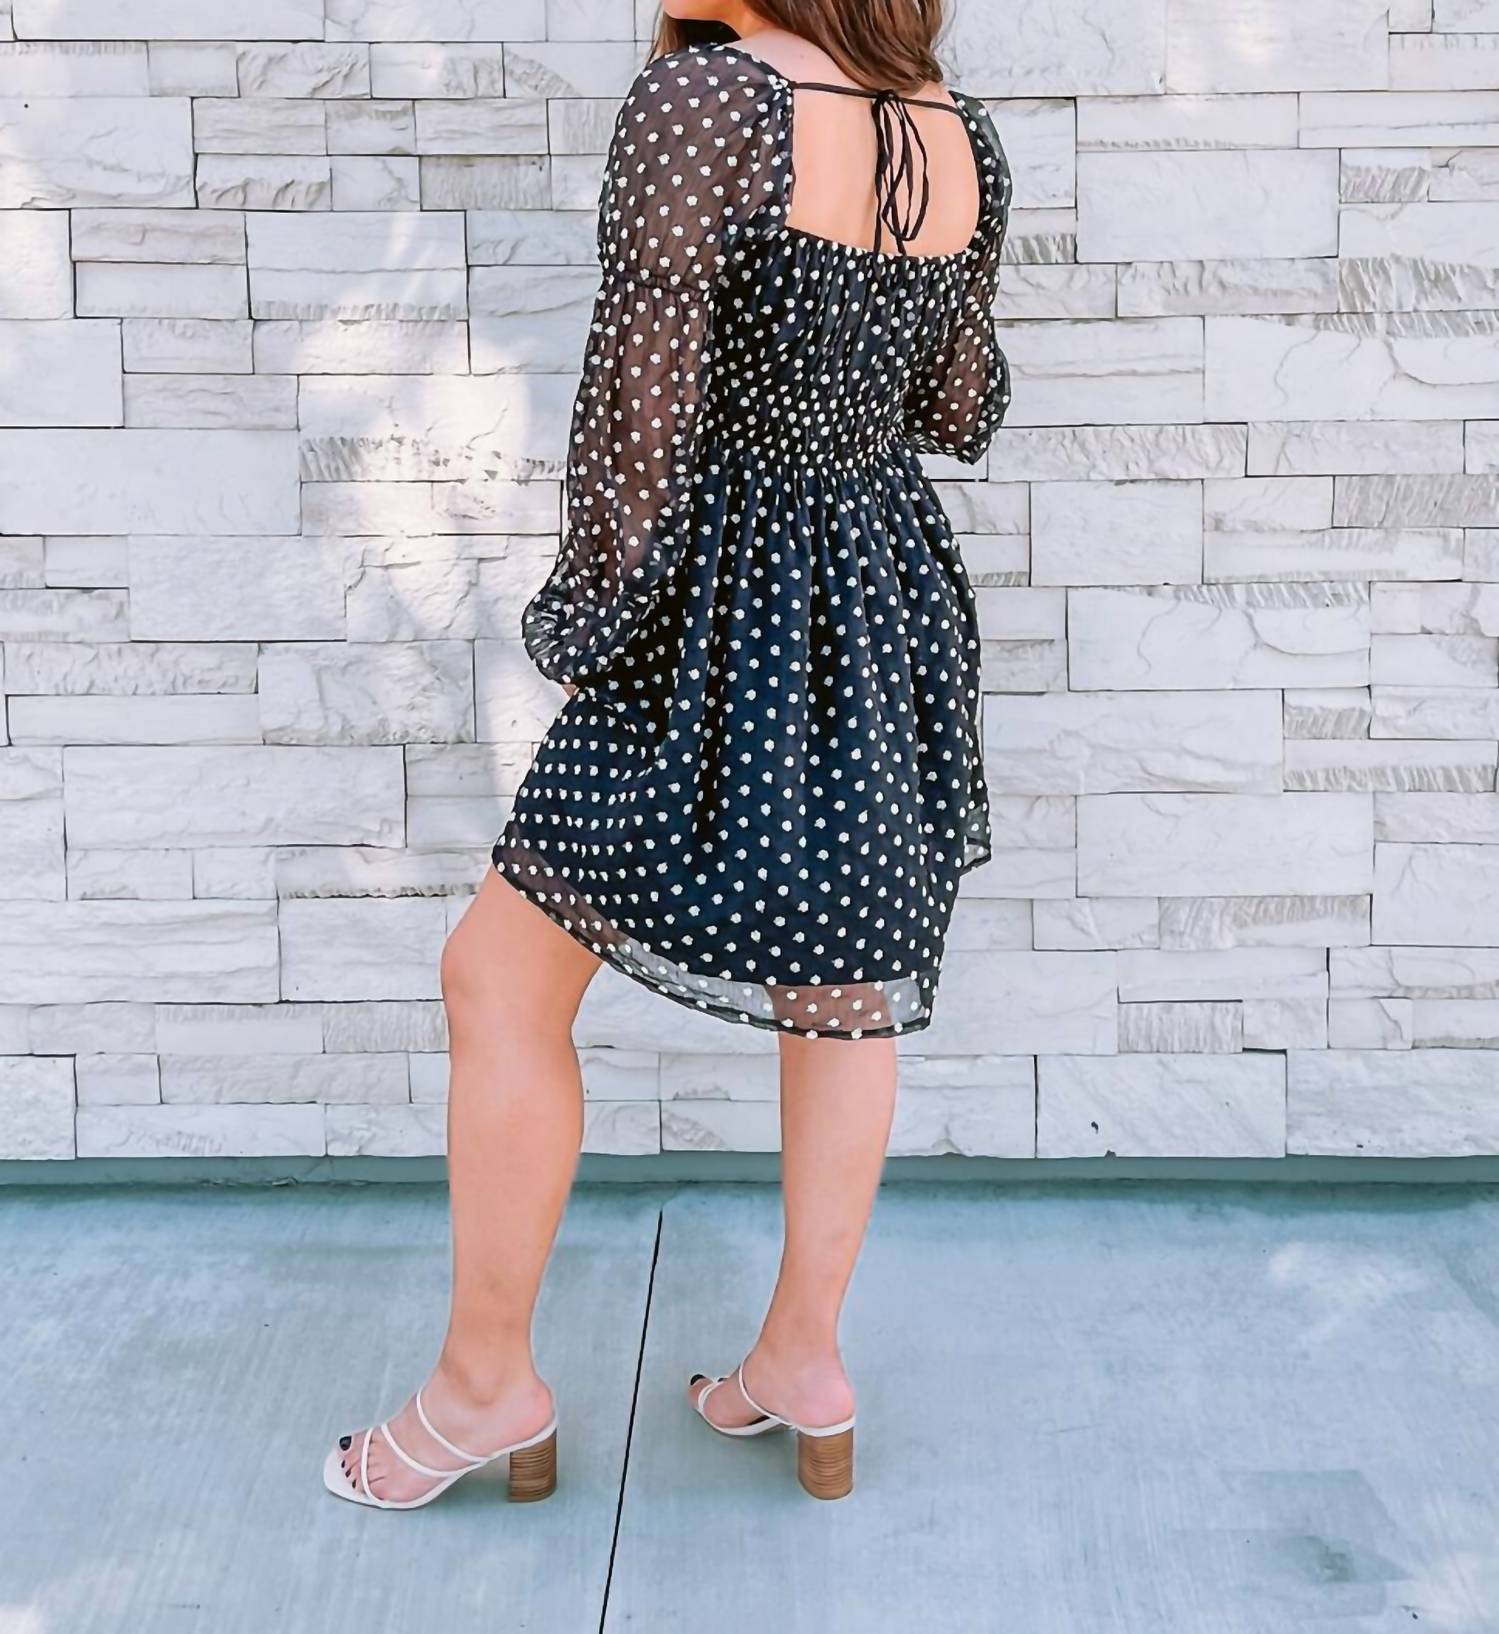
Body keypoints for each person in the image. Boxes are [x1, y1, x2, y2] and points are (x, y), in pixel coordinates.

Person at [324, 0, 1012, 1509]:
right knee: (842, 986)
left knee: (496, 977)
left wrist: (587, 621)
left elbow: (639, 419)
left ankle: (483, 1389)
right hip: (882, 590)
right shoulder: (950, 123)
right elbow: (956, 406)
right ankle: (804, 1361)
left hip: (722, 596)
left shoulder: (710, 102)